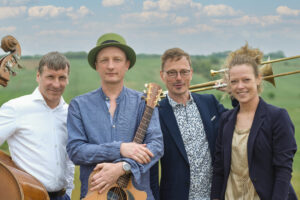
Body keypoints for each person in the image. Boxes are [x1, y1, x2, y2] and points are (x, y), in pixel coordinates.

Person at [66, 33, 164, 199]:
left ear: (127, 64)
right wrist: (119, 149)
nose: (110, 66)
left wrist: (124, 167)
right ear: (96, 65)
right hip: (94, 195)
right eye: (104, 60)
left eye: (117, 60)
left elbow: (156, 146)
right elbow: (76, 151)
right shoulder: (78, 105)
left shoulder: (144, 103)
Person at [211, 44, 298, 200]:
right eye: (234, 81)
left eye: (246, 80)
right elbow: (219, 169)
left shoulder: (278, 117)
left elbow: (283, 171)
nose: (240, 86)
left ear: (258, 79)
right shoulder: (226, 119)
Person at [150, 47, 228, 200]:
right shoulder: (156, 114)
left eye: (184, 72)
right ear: (162, 76)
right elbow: (151, 169)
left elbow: (240, 121)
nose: (179, 78)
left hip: (215, 196)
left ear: (191, 73)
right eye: (172, 73)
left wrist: (233, 91)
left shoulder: (209, 102)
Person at [0, 52, 75, 200]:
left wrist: (69, 193)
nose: (56, 84)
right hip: (28, 196)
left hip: (62, 196)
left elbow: (68, 160)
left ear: (67, 80)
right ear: (38, 76)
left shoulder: (70, 113)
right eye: (50, 77)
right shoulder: (16, 108)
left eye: (62, 78)